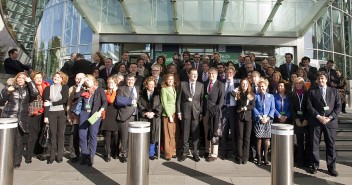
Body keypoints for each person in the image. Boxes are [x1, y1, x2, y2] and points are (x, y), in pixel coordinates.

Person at [0, 72, 38, 168]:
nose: (21, 79)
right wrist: (7, 91)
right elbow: (1, 100)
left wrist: (30, 82)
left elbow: (35, 93)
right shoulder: (11, 88)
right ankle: (6, 159)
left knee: (18, 140)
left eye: (23, 78)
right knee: (7, 140)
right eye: (19, 78)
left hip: (22, 118)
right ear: (16, 79)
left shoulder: (28, 89)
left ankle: (17, 161)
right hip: (9, 116)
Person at [307, 71, 341, 176]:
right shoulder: (312, 91)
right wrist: (319, 117)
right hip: (316, 122)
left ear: (326, 79)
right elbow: (309, 106)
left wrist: (329, 118)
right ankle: (314, 165)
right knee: (314, 144)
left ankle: (331, 167)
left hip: (330, 122)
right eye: (318, 79)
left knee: (330, 145)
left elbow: (338, 107)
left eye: (322, 78)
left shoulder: (334, 91)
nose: (320, 80)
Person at [75, 74, 107, 167]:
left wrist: (101, 110)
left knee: (93, 135)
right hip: (84, 113)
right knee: (82, 135)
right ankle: (84, 154)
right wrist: (81, 83)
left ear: (93, 80)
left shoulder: (99, 90)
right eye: (86, 81)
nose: (87, 82)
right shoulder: (84, 89)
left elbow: (104, 101)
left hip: (95, 114)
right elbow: (76, 95)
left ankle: (91, 156)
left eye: (88, 80)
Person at [177, 68, 204, 162]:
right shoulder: (183, 84)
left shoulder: (201, 85)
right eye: (193, 74)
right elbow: (178, 99)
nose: (195, 76)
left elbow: (201, 101)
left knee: (196, 134)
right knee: (185, 134)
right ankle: (185, 152)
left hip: (196, 113)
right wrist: (179, 112)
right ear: (188, 75)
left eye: (196, 74)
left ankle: (196, 153)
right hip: (185, 112)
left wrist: (201, 112)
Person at [43, 71, 69, 164]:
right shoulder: (47, 88)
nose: (56, 78)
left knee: (60, 134)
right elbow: (46, 103)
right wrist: (45, 116)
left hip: (61, 112)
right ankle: (52, 155)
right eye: (55, 76)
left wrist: (52, 103)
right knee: (52, 134)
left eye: (59, 77)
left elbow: (64, 100)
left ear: (62, 79)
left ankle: (59, 156)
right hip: (51, 113)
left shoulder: (65, 87)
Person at [26, 71, 50, 163]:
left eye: (40, 77)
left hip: (45, 113)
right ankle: (29, 155)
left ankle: (39, 153)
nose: (39, 79)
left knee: (42, 133)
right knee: (33, 135)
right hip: (34, 113)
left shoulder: (47, 86)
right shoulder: (30, 87)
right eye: (36, 78)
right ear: (33, 79)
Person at [115, 73, 139, 163]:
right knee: (124, 136)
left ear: (135, 80)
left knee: (132, 136)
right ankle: (123, 154)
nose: (130, 81)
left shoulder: (137, 88)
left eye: (132, 80)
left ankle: (130, 153)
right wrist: (131, 102)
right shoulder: (121, 89)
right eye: (129, 80)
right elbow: (119, 101)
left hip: (135, 115)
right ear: (126, 80)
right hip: (125, 116)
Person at [203, 67, 225, 162]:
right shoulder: (205, 84)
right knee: (206, 132)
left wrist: (216, 110)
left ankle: (214, 153)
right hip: (206, 112)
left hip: (215, 112)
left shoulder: (220, 84)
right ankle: (207, 151)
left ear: (216, 74)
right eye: (209, 74)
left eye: (213, 74)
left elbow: (221, 100)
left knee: (214, 133)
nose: (211, 75)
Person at [101, 75, 124, 162]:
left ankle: (116, 152)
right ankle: (107, 153)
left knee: (116, 135)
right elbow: (110, 100)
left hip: (116, 114)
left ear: (115, 83)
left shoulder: (120, 91)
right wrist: (113, 91)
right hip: (108, 114)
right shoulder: (105, 92)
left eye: (112, 82)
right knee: (107, 135)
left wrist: (115, 91)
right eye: (109, 82)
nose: (110, 84)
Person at [138, 76, 162, 160]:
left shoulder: (158, 94)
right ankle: (144, 152)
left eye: (153, 84)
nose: (151, 86)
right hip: (145, 117)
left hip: (154, 118)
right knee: (145, 135)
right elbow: (139, 104)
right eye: (150, 84)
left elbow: (160, 105)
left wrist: (154, 112)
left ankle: (151, 153)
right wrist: (145, 112)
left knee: (153, 135)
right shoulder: (142, 93)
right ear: (146, 85)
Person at [253, 78, 275, 166]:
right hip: (259, 119)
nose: (261, 88)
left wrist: (268, 118)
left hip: (268, 120)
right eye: (259, 86)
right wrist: (260, 117)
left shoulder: (271, 96)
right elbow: (254, 107)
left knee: (266, 139)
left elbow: (273, 108)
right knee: (259, 139)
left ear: (266, 86)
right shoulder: (255, 96)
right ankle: (259, 158)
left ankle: (265, 158)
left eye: (263, 86)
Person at [219, 67, 240, 160]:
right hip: (223, 108)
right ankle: (224, 152)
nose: (229, 74)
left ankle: (235, 152)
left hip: (233, 109)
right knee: (223, 131)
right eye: (227, 72)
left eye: (231, 72)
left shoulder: (238, 83)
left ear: (234, 73)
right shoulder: (221, 83)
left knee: (234, 131)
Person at [233, 77, 255, 164]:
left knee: (247, 138)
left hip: (248, 118)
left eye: (246, 84)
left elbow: (252, 106)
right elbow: (231, 93)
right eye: (242, 84)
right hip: (239, 117)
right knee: (240, 137)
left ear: (248, 85)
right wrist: (237, 89)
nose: (244, 85)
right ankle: (239, 157)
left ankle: (245, 157)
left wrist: (245, 107)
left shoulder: (251, 94)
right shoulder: (238, 93)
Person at [66, 73, 86, 163]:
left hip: (85, 115)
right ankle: (73, 154)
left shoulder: (88, 87)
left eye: (80, 79)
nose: (78, 80)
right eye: (76, 78)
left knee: (84, 136)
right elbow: (69, 103)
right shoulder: (72, 88)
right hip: (75, 114)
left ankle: (84, 153)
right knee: (73, 135)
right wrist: (68, 115)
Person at [291, 77, 309, 167]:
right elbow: (292, 109)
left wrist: (306, 119)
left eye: (300, 83)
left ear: (303, 84)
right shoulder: (293, 94)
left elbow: (309, 108)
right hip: (297, 120)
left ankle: (308, 160)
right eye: (296, 83)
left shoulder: (307, 94)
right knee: (299, 141)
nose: (298, 85)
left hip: (306, 120)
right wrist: (296, 119)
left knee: (307, 142)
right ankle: (300, 161)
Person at [160, 73, 178, 160]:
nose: (171, 81)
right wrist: (169, 115)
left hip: (174, 113)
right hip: (168, 114)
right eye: (169, 79)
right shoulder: (164, 89)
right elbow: (164, 103)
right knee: (167, 134)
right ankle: (168, 153)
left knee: (173, 133)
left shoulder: (174, 88)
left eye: (172, 79)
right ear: (166, 80)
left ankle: (173, 151)